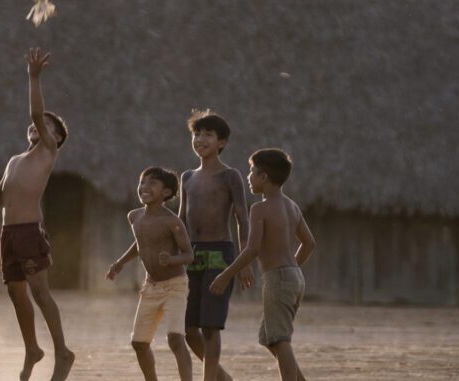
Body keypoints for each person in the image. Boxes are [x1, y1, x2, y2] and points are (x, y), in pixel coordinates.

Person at [0, 47, 74, 381]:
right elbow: (0, 200)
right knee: (16, 294)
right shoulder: (15, 161)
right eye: (36, 125)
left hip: (30, 232)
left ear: (55, 138)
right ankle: (32, 348)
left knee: (39, 292)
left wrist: (33, 78)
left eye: (47, 126)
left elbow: (36, 113)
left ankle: (63, 351)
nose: (38, 126)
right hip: (9, 234)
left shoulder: (47, 153)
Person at [210, 148, 316, 381]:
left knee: (280, 339)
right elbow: (309, 243)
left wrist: (226, 275)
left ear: (264, 177)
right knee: (269, 337)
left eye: (251, 172)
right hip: (294, 277)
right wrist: (293, 268)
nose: (248, 177)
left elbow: (253, 249)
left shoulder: (260, 208)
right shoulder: (292, 206)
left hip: (278, 279)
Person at [178, 110, 252, 381]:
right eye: (196, 134)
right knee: (188, 328)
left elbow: (242, 219)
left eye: (208, 135)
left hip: (220, 254)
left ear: (221, 142)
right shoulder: (187, 177)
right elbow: (180, 220)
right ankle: (221, 377)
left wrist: (243, 262)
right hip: (191, 255)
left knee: (210, 327)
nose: (200, 139)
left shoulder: (229, 176)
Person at [108, 167, 194, 381]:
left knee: (175, 338)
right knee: (139, 343)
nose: (144, 187)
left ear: (166, 193)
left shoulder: (172, 221)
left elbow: (189, 255)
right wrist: (120, 263)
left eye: (152, 183)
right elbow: (140, 244)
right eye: (142, 183)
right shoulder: (134, 216)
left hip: (175, 284)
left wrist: (172, 260)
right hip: (150, 287)